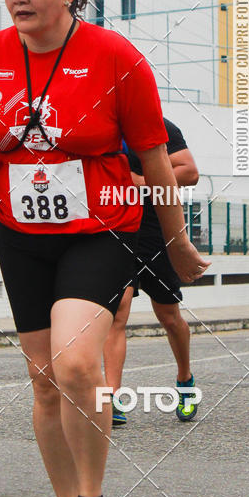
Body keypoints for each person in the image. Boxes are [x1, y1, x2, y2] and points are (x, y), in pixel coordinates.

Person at [0, 0, 210, 497]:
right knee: (43, 379)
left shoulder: (115, 56)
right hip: (22, 236)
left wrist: (178, 244)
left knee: (78, 362)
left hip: (102, 231)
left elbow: (157, 159)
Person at [104, 119, 200, 425]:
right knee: (117, 313)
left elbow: (190, 172)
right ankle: (111, 398)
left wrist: (140, 180)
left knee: (169, 317)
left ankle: (185, 381)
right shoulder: (103, 125)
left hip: (156, 233)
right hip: (115, 230)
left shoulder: (160, 126)